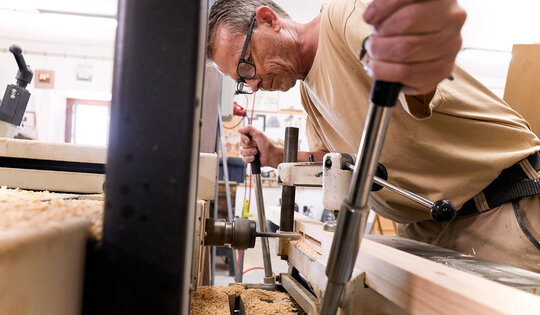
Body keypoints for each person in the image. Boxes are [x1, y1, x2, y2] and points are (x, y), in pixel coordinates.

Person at [207, 0, 540, 273]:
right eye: (242, 81)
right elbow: (338, 164)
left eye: (247, 66)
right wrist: (278, 156)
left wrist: (417, 50)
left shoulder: (344, 16)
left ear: (267, 19)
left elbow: (405, 61)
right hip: (430, 229)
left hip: (501, 204)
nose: (252, 85)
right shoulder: (309, 93)